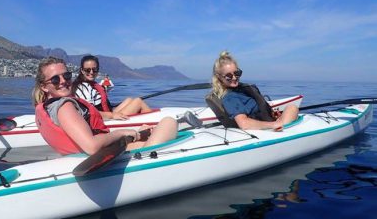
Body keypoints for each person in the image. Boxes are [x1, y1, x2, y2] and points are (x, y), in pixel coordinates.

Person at [33, 57, 177, 155]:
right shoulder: (65, 107)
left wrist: (132, 134)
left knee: (145, 130)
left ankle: (143, 138)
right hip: (102, 157)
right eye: (55, 79)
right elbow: (91, 146)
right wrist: (120, 133)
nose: (63, 81)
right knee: (169, 122)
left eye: (67, 76)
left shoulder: (50, 106)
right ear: (44, 87)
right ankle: (148, 160)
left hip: (100, 153)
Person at [207, 51, 298, 131]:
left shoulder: (241, 90)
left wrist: (271, 115)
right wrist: (274, 124)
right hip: (265, 131)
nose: (234, 78)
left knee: (291, 107)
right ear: (219, 77)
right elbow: (244, 124)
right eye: (229, 76)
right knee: (292, 108)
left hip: (266, 121)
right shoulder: (230, 98)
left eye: (237, 73)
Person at [72, 55, 152, 120]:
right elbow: (90, 113)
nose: (91, 72)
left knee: (129, 100)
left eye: (94, 69)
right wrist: (112, 115)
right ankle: (151, 124)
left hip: (107, 114)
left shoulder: (91, 84)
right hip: (103, 120)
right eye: (87, 70)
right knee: (138, 101)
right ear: (82, 71)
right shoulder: (82, 88)